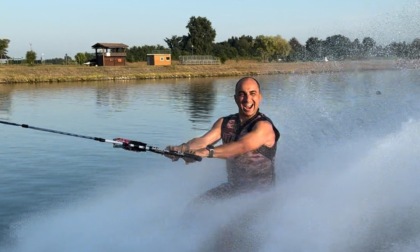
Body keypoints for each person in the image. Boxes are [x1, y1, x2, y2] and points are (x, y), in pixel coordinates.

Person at [166, 76, 280, 201]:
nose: (247, 99)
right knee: (196, 206)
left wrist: (205, 152)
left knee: (232, 219)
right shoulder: (225, 122)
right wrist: (182, 148)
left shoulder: (263, 127)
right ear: (235, 98)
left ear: (260, 97)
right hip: (233, 188)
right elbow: (203, 141)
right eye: (242, 94)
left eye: (252, 93)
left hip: (260, 195)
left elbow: (241, 146)